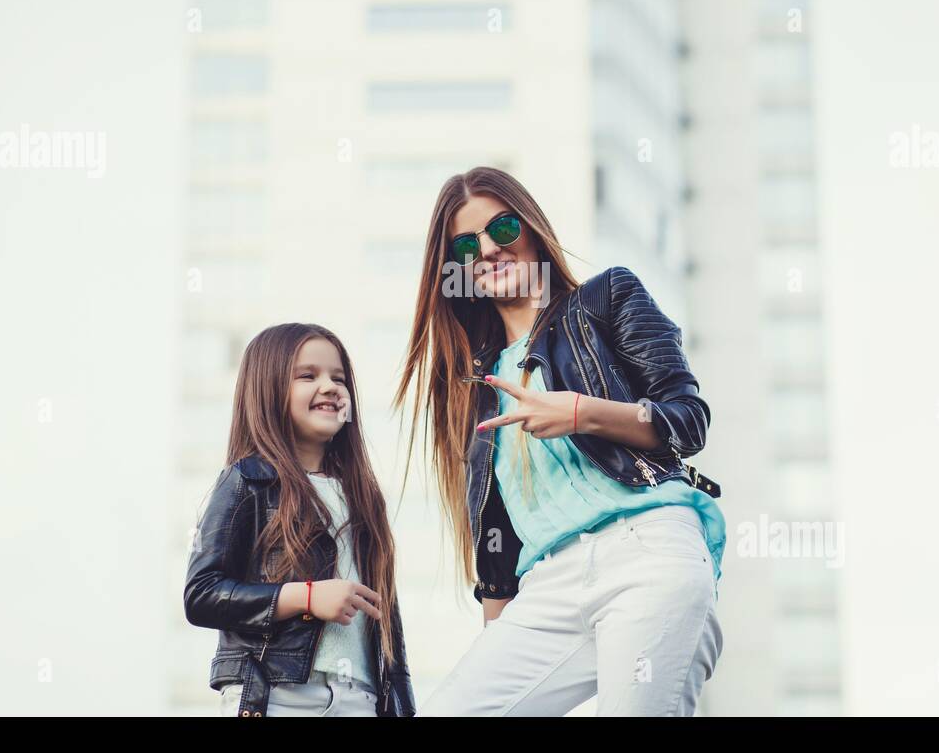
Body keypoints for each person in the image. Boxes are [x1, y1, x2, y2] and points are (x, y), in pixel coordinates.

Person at [395, 166, 725, 716]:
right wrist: (495, 648)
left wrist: (581, 413)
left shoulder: (605, 299)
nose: (488, 251)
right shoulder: (473, 386)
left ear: (529, 228)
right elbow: (496, 544)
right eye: (466, 245)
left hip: (645, 549)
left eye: (501, 230)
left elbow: (687, 420)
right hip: (549, 582)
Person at [185, 323, 415, 717]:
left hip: (360, 698)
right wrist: (306, 597)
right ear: (269, 389)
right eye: (308, 375)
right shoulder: (247, 481)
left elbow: (387, 623)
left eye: (338, 378)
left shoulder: (364, 497)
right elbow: (202, 595)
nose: (329, 386)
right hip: (277, 694)